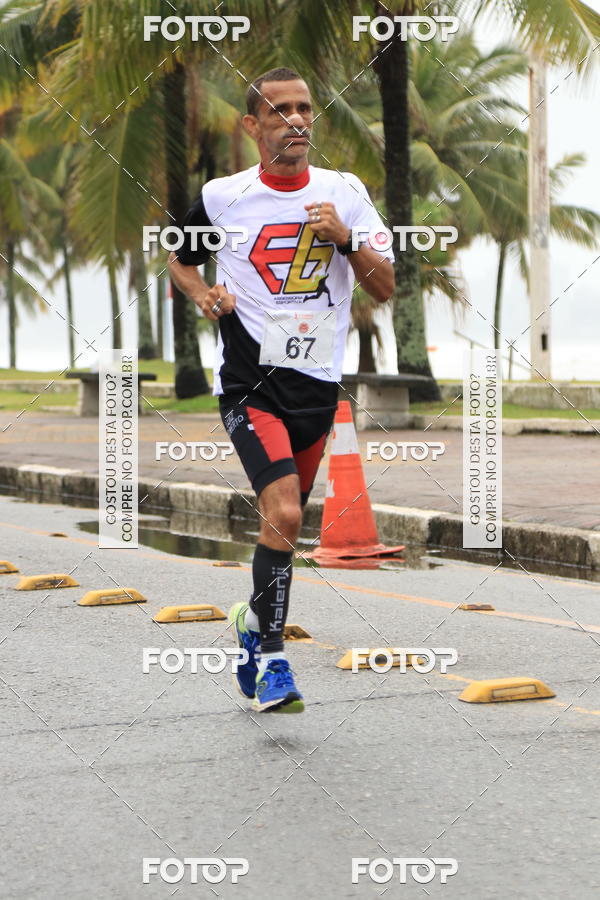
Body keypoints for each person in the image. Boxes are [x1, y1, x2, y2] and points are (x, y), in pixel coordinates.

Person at [168, 67, 394, 714]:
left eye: (304, 109)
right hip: (249, 384)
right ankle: (272, 658)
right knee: (286, 513)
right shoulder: (222, 197)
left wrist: (346, 241)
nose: (296, 121)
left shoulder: (344, 193)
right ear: (253, 126)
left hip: (317, 386)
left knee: (284, 528)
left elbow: (384, 287)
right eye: (280, 111)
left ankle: (248, 624)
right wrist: (202, 292)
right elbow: (180, 256)